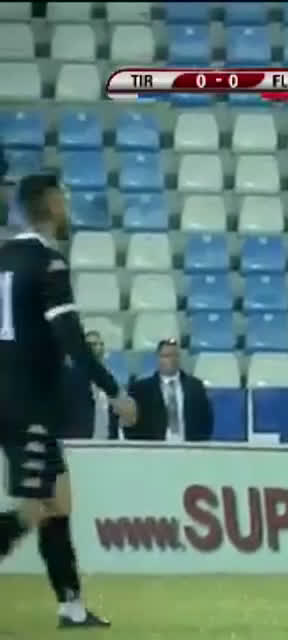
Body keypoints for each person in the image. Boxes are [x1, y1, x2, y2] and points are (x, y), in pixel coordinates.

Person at [0, 173, 137, 628]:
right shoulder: (48, 263)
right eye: (64, 199)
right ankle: (71, 605)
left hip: (9, 398)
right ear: (52, 204)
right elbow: (73, 340)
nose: (68, 207)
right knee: (36, 506)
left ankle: (72, 607)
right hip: (30, 404)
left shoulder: (3, 258)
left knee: (59, 500)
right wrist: (115, 392)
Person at [124, 339, 213, 441]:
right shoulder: (141, 389)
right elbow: (131, 422)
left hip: (189, 446)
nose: (171, 359)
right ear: (158, 358)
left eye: (175, 356)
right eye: (166, 356)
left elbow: (206, 421)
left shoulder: (195, 387)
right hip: (154, 446)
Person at [61, 329, 117, 439]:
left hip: (107, 440)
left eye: (101, 344)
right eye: (92, 344)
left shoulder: (110, 379)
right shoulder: (74, 378)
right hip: (80, 438)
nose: (98, 348)